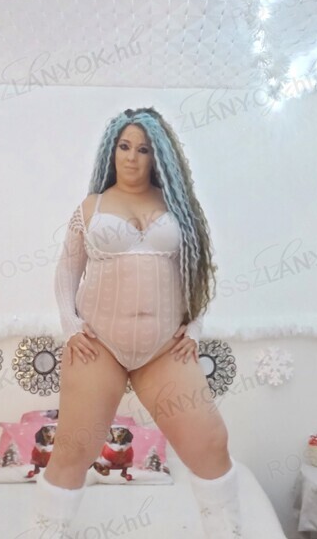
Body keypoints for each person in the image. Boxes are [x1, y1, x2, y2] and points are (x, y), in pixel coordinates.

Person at [33, 107, 243, 538]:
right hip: (99, 346)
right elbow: (67, 271)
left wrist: (195, 329)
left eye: (143, 149)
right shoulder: (91, 207)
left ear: (158, 155)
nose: (132, 157)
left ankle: (226, 531)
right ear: (112, 151)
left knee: (210, 441)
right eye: (124, 146)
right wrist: (71, 326)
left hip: (164, 349)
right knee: (74, 450)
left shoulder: (178, 207)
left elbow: (200, 270)